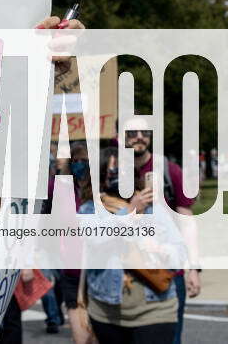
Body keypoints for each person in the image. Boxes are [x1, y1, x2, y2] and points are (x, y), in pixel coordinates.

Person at [83, 147, 179, 343]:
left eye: (124, 170)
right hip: (106, 311)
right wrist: (131, 213)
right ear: (101, 176)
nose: (119, 176)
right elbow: (96, 237)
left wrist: (163, 251)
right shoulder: (89, 209)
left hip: (155, 309)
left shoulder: (152, 206)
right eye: (112, 170)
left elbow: (178, 250)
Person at [124, 128, 200, 343]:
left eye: (145, 132)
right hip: (125, 276)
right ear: (121, 136)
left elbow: (187, 220)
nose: (139, 137)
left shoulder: (169, 170)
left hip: (168, 272)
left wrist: (193, 268)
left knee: (170, 339)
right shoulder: (112, 172)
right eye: (132, 132)